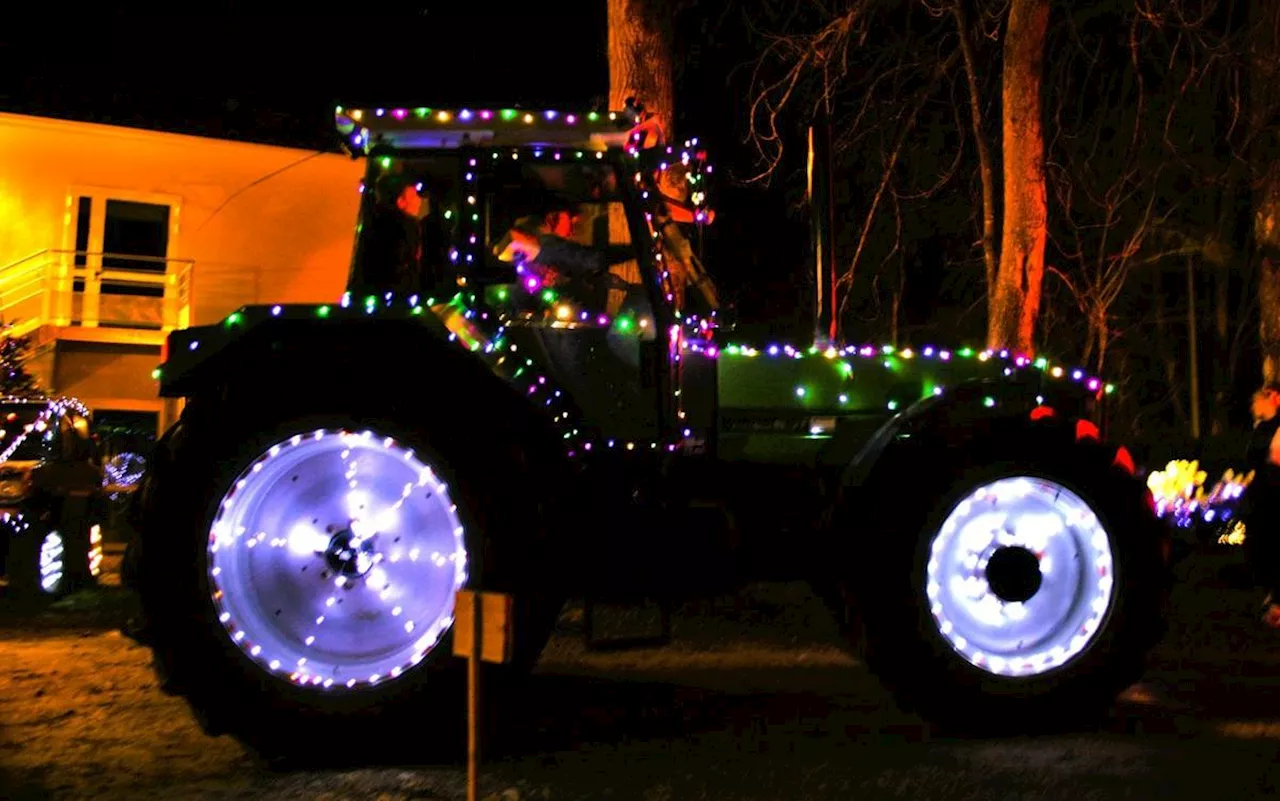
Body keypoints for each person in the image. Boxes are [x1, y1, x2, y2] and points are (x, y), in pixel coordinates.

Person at [347, 173, 449, 299]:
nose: (419, 200)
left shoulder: (369, 222)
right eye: (413, 196)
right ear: (400, 202)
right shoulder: (408, 226)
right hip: (397, 297)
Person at [1242, 383, 1280, 626]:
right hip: (1263, 494)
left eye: (1258, 400)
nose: (1254, 406)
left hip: (1274, 493)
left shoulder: (1274, 428)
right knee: (1261, 545)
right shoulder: (1261, 428)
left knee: (1272, 545)